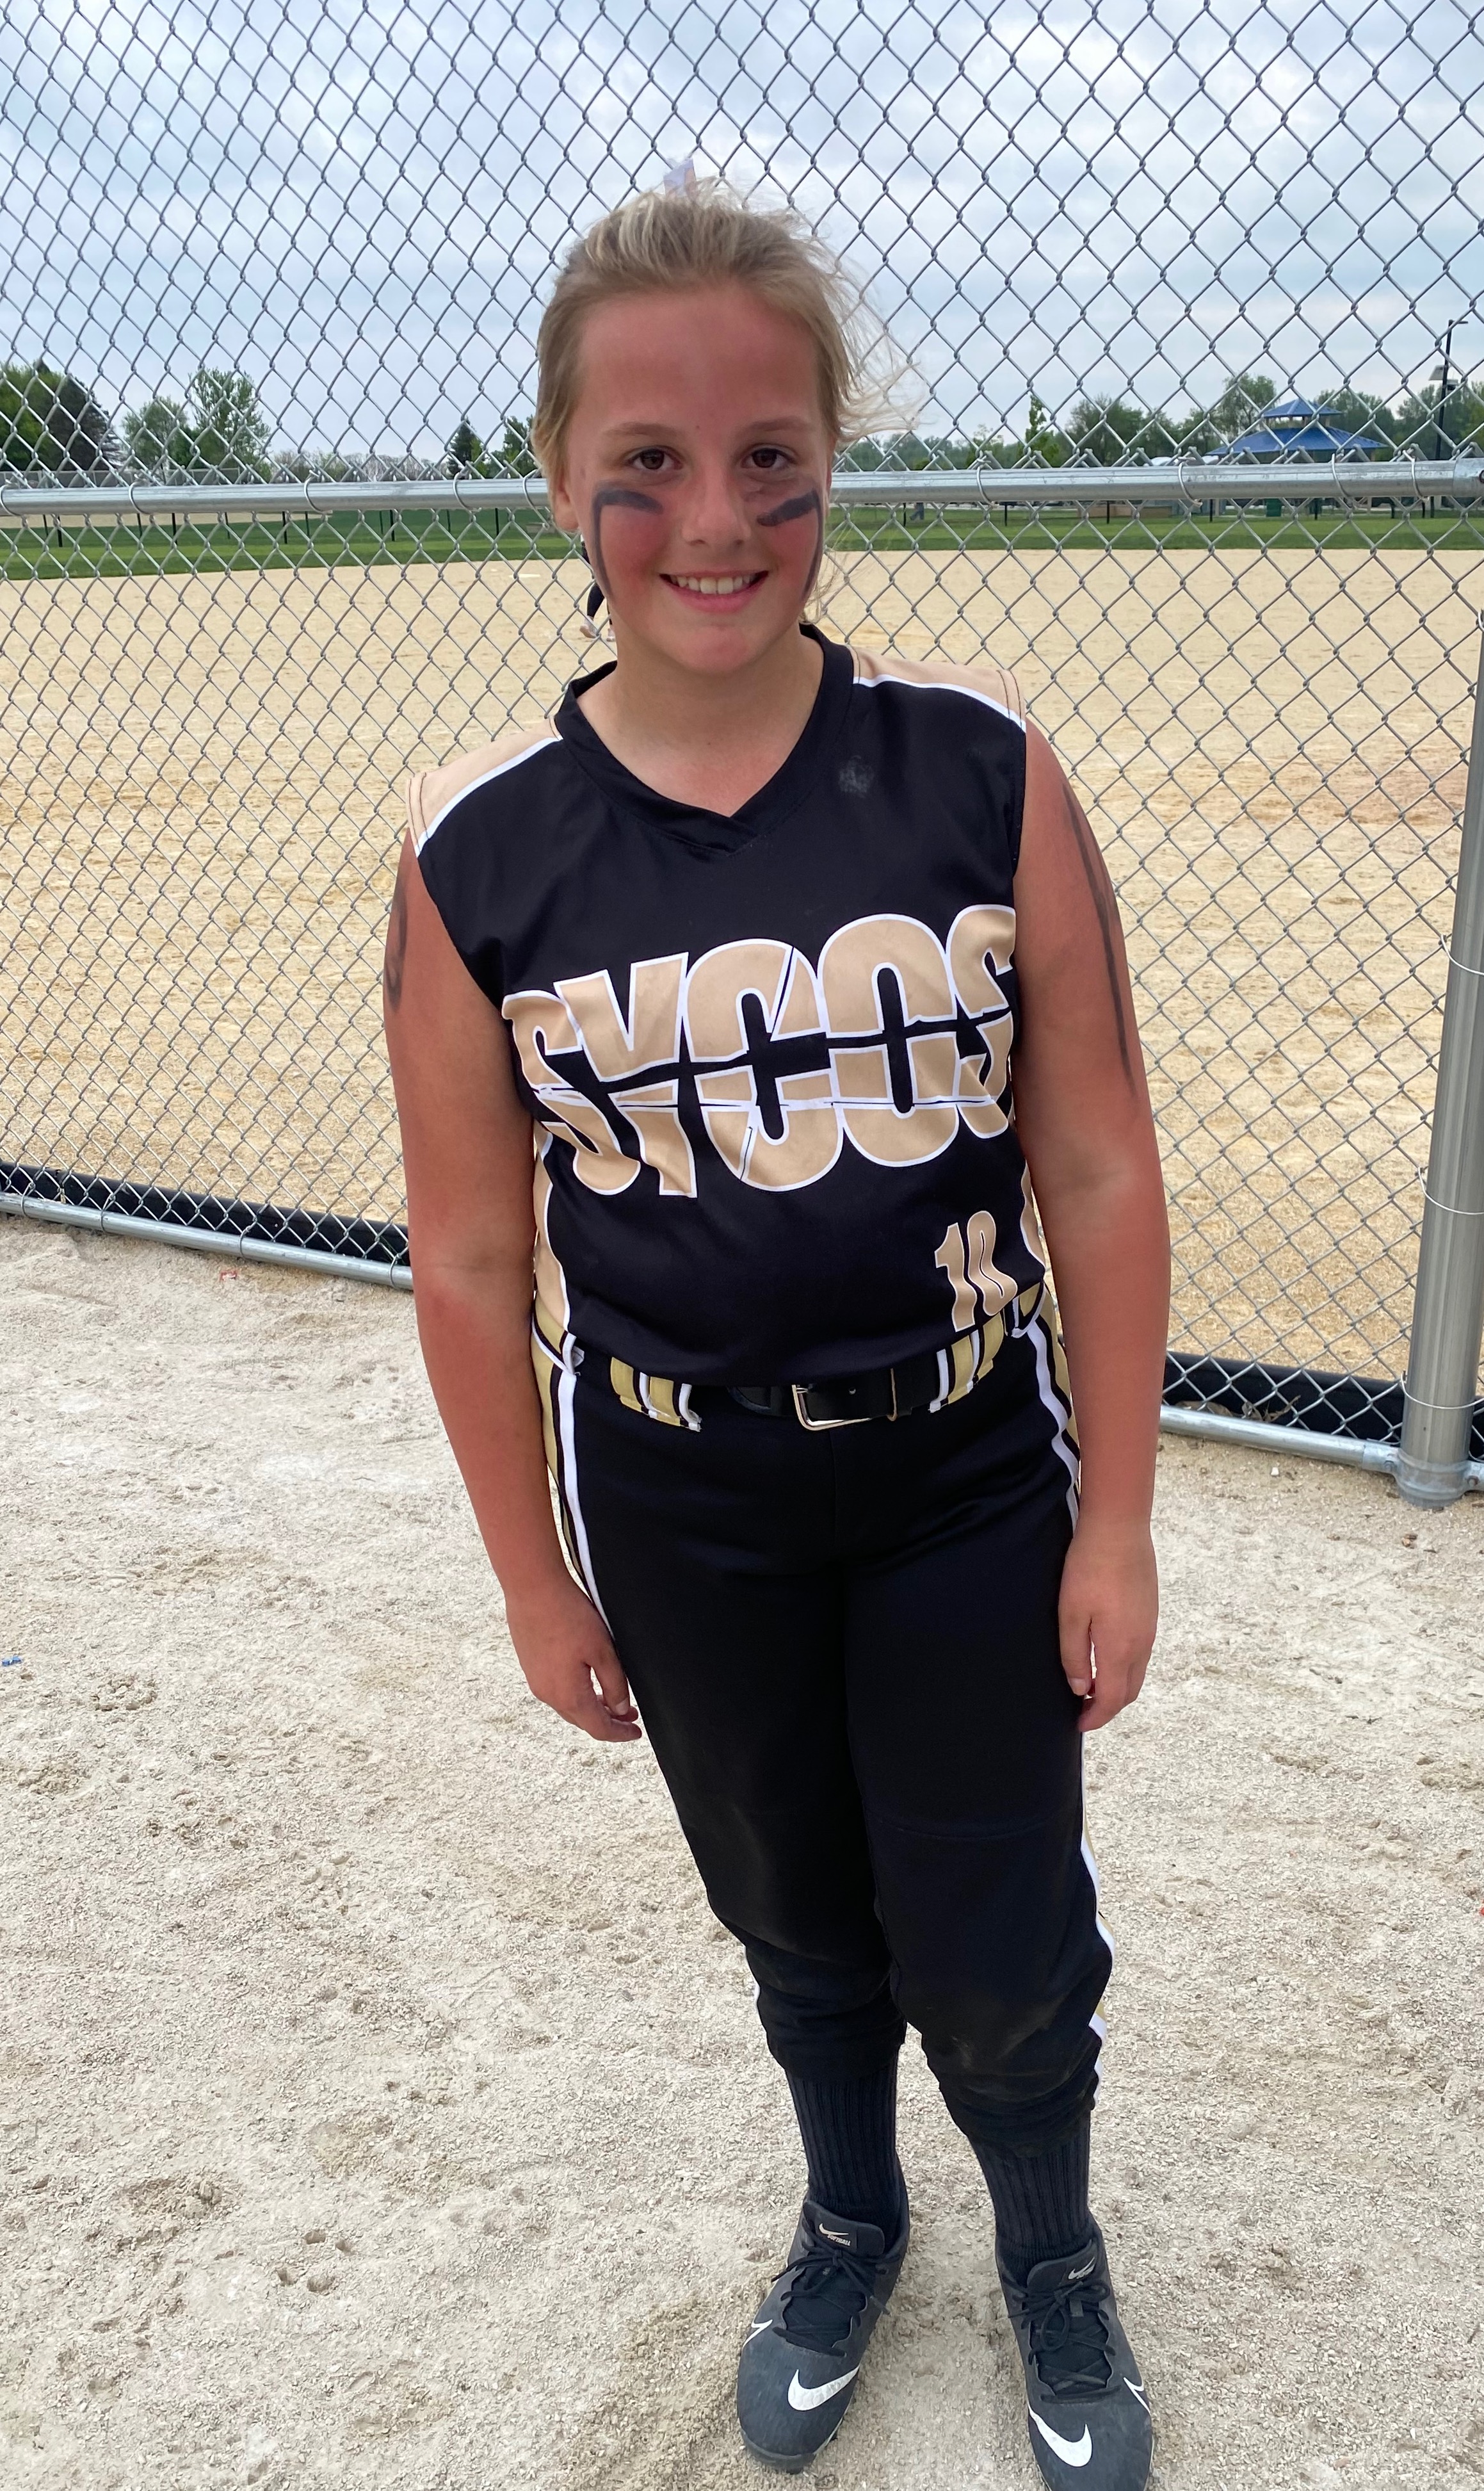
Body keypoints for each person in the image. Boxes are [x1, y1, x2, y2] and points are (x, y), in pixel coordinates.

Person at [383, 181, 1169, 2489]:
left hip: (957, 1469)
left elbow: (1097, 1161)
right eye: (646, 460)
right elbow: (472, 1256)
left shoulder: (977, 771)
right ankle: (851, 2206)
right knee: (793, 1904)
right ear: (557, 473)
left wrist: (1119, 1514)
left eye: (770, 459)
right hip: (682, 1486)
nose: (714, 519)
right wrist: (534, 1574)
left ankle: (1049, 2239)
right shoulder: (479, 852)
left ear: (832, 463)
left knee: (998, 1921)